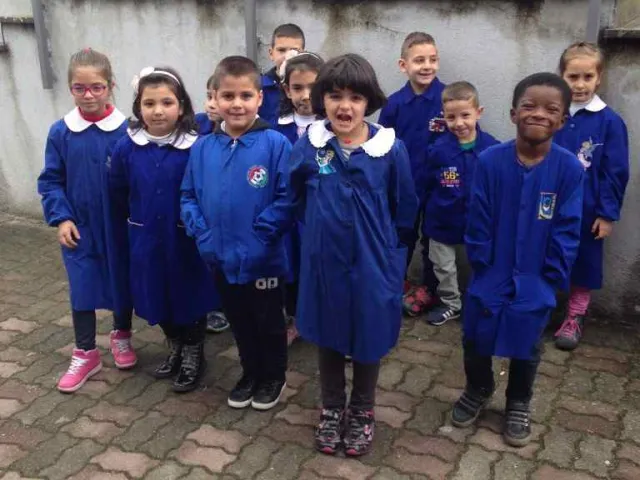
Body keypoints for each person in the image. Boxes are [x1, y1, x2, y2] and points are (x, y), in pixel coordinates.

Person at [253, 54, 418, 456]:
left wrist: (393, 261)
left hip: (373, 264)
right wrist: (263, 233)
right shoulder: (309, 147)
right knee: (327, 335)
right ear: (321, 99)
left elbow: (404, 209)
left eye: (355, 98)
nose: (345, 106)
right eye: (335, 96)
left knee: (368, 335)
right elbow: (291, 199)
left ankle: (362, 409)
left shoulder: (389, 150)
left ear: (369, 102)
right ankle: (331, 407)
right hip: (323, 263)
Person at [451, 73, 584, 448]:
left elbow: (568, 228)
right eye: (529, 106)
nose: (538, 114)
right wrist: (482, 264)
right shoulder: (490, 161)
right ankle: (478, 388)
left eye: (550, 109)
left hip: (536, 275)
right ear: (513, 114)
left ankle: (518, 400)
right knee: (475, 335)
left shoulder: (569, 170)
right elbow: (477, 218)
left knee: (528, 341)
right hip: (490, 270)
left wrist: (550, 278)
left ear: (562, 120)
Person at [181, 56, 292, 411]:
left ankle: (273, 376)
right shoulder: (203, 148)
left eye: (245, 95)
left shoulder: (275, 145)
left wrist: (262, 236)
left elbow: (288, 197)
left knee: (268, 321)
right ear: (214, 98)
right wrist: (203, 235)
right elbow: (188, 195)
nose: (237, 104)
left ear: (260, 98)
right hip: (220, 257)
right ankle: (250, 373)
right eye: (228, 96)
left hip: (264, 258)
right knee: (240, 321)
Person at [109, 66, 216, 392]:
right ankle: (175, 345)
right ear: (138, 107)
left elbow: (207, 193)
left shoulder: (197, 146)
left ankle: (194, 352)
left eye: (167, 102)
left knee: (189, 295)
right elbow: (118, 192)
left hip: (184, 240)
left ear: (181, 106)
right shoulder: (126, 148)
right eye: (149, 103)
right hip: (146, 238)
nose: (158, 110)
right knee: (155, 294)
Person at [37, 48, 135, 393]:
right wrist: (62, 218)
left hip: (118, 224)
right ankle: (86, 352)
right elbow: (51, 180)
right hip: (80, 226)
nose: (89, 95)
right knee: (82, 286)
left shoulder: (127, 130)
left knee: (121, 280)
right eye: (80, 88)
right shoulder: (61, 132)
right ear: (70, 88)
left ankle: (122, 335)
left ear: (110, 86)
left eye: (97, 87)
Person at [553, 42, 629, 351]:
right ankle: (539, 309)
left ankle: (575, 316)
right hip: (549, 206)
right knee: (544, 254)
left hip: (587, 210)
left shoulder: (609, 122)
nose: (580, 84)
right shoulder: (553, 113)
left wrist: (607, 214)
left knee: (584, 261)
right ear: (561, 76)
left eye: (588, 77)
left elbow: (615, 172)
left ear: (599, 78)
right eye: (573, 77)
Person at [378, 32, 447, 317]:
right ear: (403, 65)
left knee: (433, 240)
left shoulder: (447, 99)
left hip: (439, 188)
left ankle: (431, 290)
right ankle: (395, 283)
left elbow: (467, 135)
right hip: (403, 187)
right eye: (419, 60)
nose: (427, 66)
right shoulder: (393, 104)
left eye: (432, 59)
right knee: (400, 236)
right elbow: (380, 146)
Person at [421, 81, 499, 326]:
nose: (459, 123)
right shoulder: (438, 150)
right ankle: (451, 303)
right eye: (451, 117)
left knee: (481, 263)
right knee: (443, 267)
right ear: (443, 117)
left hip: (479, 222)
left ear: (478, 112)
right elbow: (426, 183)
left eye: (465, 115)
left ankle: (478, 302)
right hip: (441, 221)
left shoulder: (492, 150)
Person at [275, 50, 325, 345]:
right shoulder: (276, 128)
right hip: (289, 215)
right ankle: (294, 317)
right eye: (297, 88)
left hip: (320, 213)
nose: (306, 95)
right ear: (286, 90)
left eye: (312, 87)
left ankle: (323, 319)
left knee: (321, 266)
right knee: (291, 267)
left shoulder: (332, 127)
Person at [194, 73, 231, 334]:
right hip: (204, 207)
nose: (212, 104)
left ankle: (226, 306)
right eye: (209, 96)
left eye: (219, 97)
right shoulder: (198, 125)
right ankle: (211, 306)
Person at [258, 23, 305, 126]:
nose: (287, 56)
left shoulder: (311, 88)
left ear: (303, 54)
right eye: (281, 50)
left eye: (294, 50)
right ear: (271, 53)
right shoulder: (259, 87)